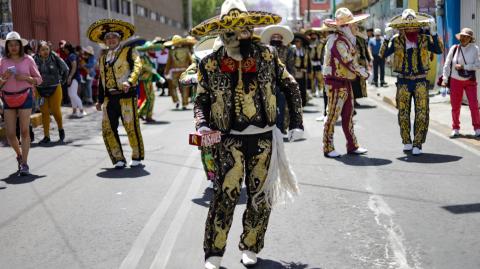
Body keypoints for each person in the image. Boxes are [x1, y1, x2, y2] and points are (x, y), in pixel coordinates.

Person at [191, 0, 303, 267]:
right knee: (225, 193)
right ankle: (214, 252)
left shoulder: (266, 55)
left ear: (250, 28)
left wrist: (296, 122)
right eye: (230, 28)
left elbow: (290, 85)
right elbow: (201, 100)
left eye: (242, 27)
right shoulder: (209, 63)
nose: (237, 33)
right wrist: (202, 124)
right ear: (221, 30)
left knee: (260, 194)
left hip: (263, 136)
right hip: (227, 138)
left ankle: (251, 245)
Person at [380, 9, 443, 155]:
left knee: (422, 113)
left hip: (420, 81)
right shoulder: (396, 40)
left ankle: (418, 143)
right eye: (407, 26)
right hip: (403, 82)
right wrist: (386, 38)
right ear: (402, 27)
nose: (410, 29)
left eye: (413, 26)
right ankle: (406, 141)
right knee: (403, 113)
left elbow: (439, 50)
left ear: (417, 26)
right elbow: (382, 55)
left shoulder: (425, 39)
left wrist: (434, 33)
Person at [87, 18, 144, 169]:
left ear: (119, 38)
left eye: (113, 36)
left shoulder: (129, 51)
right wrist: (99, 100)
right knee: (108, 129)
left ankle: (137, 155)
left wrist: (130, 82)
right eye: (107, 38)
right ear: (104, 41)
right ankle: (118, 158)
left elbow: (138, 67)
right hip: (109, 98)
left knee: (131, 126)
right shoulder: (104, 57)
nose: (110, 40)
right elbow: (101, 79)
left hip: (126, 96)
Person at [322, 8, 370, 158]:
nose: (356, 27)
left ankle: (352, 145)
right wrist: (362, 72)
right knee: (332, 115)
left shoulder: (345, 40)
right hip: (336, 82)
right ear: (346, 27)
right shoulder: (337, 41)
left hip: (344, 81)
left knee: (348, 115)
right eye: (353, 24)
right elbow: (348, 61)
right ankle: (328, 147)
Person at [0, 31, 43, 176]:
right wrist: (3, 79)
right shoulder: (2, 61)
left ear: (20, 46)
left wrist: (26, 77)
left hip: (25, 96)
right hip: (7, 98)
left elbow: (39, 79)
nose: (13, 47)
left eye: (16, 44)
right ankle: (19, 155)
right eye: (10, 45)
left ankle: (24, 163)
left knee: (24, 131)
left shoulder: (28, 59)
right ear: (7, 46)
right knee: (10, 134)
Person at [441, 28, 480, 137]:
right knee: (455, 106)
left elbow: (478, 65)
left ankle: (477, 128)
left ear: (470, 39)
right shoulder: (454, 48)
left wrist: (464, 66)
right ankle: (455, 128)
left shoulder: (475, 49)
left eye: (466, 36)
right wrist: (445, 79)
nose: (463, 38)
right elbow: (447, 64)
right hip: (455, 80)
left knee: (474, 105)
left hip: (470, 81)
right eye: (462, 36)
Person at [260, 25, 295, 134]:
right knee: (268, 106)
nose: (276, 39)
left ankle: (280, 129)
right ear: (270, 39)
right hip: (267, 83)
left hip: (282, 83)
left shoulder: (288, 50)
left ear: (281, 38)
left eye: (278, 37)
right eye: (274, 37)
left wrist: (291, 81)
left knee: (282, 106)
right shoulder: (264, 50)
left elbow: (291, 67)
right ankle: (269, 128)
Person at [34, 41, 69, 144]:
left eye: (47, 49)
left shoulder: (54, 57)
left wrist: (62, 81)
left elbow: (66, 69)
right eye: (42, 50)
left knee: (55, 110)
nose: (45, 52)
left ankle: (60, 128)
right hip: (39, 90)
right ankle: (46, 136)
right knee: (44, 112)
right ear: (38, 51)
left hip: (55, 88)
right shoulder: (33, 60)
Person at [164, 35, 194, 109]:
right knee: (185, 87)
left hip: (174, 71)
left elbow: (168, 63)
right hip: (184, 71)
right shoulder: (186, 50)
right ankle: (184, 103)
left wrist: (166, 72)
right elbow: (191, 60)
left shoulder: (171, 51)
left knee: (173, 87)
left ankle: (176, 101)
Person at [136, 41, 163, 122]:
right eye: (151, 49)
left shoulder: (149, 58)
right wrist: (152, 70)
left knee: (150, 98)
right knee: (150, 98)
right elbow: (144, 67)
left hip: (149, 79)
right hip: (144, 80)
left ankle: (140, 113)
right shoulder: (142, 58)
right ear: (147, 50)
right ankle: (147, 115)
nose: (153, 51)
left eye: (153, 49)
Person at [63, 42, 86, 118]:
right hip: (71, 78)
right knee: (71, 95)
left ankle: (82, 110)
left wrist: (70, 77)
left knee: (73, 94)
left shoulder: (72, 56)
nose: (64, 50)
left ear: (67, 49)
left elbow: (74, 66)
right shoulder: (69, 56)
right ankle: (74, 111)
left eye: (64, 49)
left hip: (74, 78)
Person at [351, 27, 372, 107]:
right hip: (355, 63)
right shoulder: (352, 38)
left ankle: (355, 99)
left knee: (360, 82)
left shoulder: (362, 39)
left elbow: (365, 50)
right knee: (354, 81)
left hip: (362, 63)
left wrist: (369, 59)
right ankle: (353, 99)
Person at [292, 32, 310, 107]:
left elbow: (309, 62)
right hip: (294, 72)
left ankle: (302, 103)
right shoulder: (293, 50)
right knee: (295, 87)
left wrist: (308, 71)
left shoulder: (305, 51)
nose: (297, 43)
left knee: (302, 87)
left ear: (301, 42)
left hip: (303, 72)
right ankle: (295, 103)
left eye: (298, 41)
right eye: (295, 41)